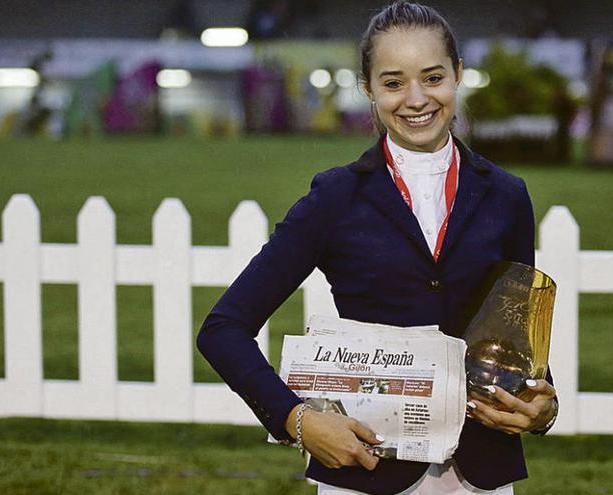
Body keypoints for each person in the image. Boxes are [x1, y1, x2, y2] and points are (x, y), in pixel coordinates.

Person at [197, 2, 559, 494]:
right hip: (366, 469)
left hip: (480, 475)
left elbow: (517, 338)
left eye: (432, 78)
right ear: (368, 88)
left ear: (458, 74)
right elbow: (223, 329)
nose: (416, 99)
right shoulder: (336, 198)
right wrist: (296, 420)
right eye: (393, 83)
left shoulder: (507, 195)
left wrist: (542, 406)